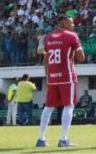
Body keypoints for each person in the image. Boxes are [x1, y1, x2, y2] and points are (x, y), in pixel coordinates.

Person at [36, 15, 85, 147]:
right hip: (67, 76)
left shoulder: (49, 37)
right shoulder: (71, 35)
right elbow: (81, 58)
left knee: (48, 107)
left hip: (52, 77)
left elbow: (45, 59)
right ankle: (63, 139)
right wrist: (78, 49)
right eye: (71, 22)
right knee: (69, 106)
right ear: (64, 23)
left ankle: (41, 139)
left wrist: (48, 74)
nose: (73, 25)